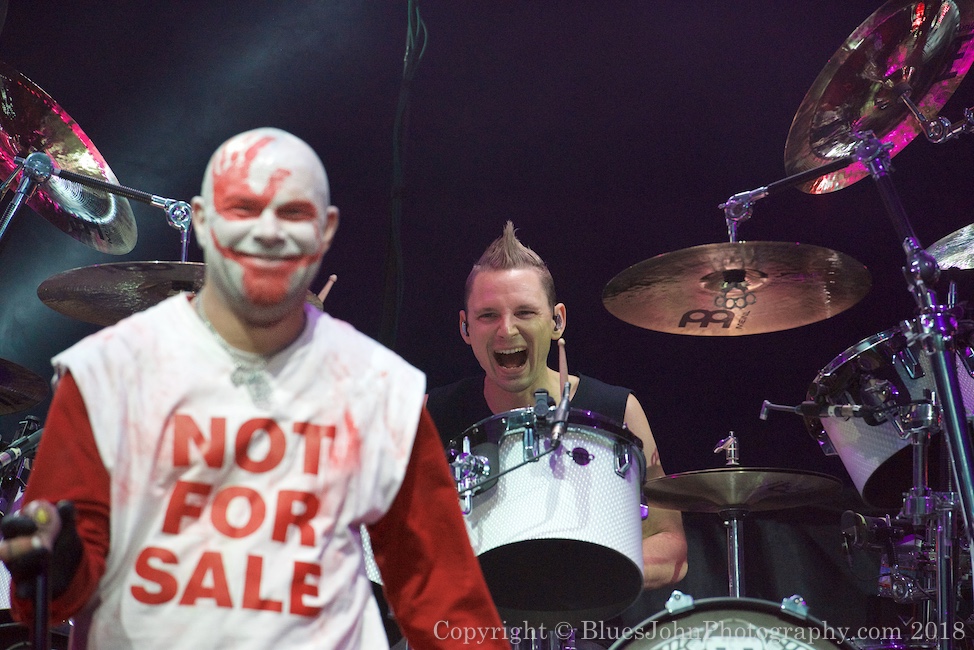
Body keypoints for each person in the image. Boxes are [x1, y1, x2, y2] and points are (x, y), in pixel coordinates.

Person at [0, 128, 508, 649]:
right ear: (202, 221)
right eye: (244, 210)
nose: (267, 232)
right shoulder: (103, 379)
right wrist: (52, 568)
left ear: (324, 230)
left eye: (292, 213)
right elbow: (41, 600)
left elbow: (446, 603)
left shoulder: (377, 389)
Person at [426, 221, 688, 590]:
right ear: (466, 328)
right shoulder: (431, 416)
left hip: (587, 626)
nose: (506, 329)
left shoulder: (617, 410)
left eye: (525, 312)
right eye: (488, 316)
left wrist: (573, 577)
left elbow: (670, 545)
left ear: (557, 320)